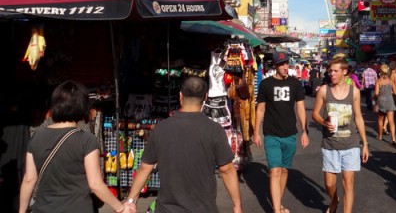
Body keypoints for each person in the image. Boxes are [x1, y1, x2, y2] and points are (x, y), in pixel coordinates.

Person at [126, 77, 242, 213]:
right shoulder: (214, 129)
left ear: (180, 96)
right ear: (205, 97)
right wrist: (237, 206)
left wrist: (131, 201)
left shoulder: (161, 128)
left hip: (167, 209)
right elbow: (227, 170)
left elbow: (145, 168)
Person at [19, 80, 132, 213]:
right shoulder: (87, 140)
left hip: (44, 208)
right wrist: (120, 208)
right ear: (82, 106)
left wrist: (22, 211)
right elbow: (95, 184)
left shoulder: (37, 136)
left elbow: (29, 179)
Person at [312, 57, 369, 213]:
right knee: (330, 184)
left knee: (348, 183)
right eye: (330, 71)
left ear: (344, 72)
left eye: (335, 71)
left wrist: (365, 144)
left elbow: (358, 117)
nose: (331, 74)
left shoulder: (354, 92)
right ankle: (334, 200)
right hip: (330, 144)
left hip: (350, 144)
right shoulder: (324, 90)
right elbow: (315, 114)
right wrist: (324, 123)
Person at [254, 51, 309, 213]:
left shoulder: (295, 83)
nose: (285, 67)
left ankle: (278, 204)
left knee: (284, 170)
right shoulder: (266, 84)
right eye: (282, 64)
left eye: (287, 63)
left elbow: (300, 107)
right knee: (275, 170)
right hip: (271, 133)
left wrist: (304, 131)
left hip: (290, 134)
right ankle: (277, 211)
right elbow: (260, 109)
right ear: (275, 66)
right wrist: (256, 132)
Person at [374, 64, 396, 144]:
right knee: (391, 121)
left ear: (380, 71)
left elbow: (376, 93)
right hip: (390, 100)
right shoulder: (391, 81)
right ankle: (393, 139)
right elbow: (395, 92)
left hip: (381, 100)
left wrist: (375, 97)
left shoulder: (378, 81)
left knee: (380, 119)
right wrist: (389, 93)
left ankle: (380, 136)